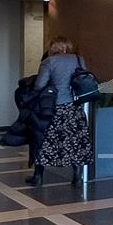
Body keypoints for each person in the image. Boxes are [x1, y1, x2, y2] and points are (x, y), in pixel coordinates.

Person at [29, 37, 91, 186]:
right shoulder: (78, 59)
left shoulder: (49, 62)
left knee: (43, 140)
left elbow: (39, 85)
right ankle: (77, 176)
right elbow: (85, 78)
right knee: (75, 141)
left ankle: (38, 176)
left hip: (53, 107)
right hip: (74, 107)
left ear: (52, 47)